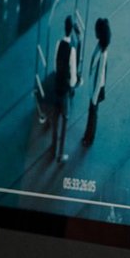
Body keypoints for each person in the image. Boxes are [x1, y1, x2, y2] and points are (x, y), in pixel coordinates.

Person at [51, 14, 79, 164]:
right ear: (72, 31)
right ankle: (60, 154)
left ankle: (53, 147)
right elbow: (73, 77)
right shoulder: (72, 50)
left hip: (57, 87)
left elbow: (55, 66)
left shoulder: (58, 44)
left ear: (64, 28)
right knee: (65, 119)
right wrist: (73, 85)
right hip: (65, 91)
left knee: (55, 118)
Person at [81, 17, 111, 146]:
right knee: (91, 112)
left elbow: (100, 77)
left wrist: (94, 97)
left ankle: (89, 138)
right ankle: (87, 135)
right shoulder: (100, 45)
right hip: (93, 87)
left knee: (93, 113)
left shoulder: (103, 53)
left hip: (96, 90)